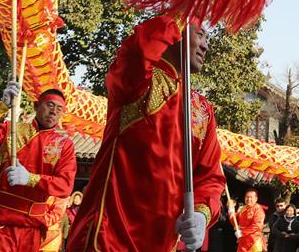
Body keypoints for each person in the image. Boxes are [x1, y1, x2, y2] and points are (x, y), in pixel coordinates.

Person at [68, 18, 225, 252]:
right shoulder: (140, 81)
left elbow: (210, 176)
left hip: (163, 242)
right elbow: (138, 51)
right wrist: (178, 12)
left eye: (207, 38)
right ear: (177, 31)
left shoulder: (202, 110)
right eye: (200, 35)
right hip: (109, 236)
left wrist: (202, 214)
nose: (205, 46)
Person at [0, 82, 76, 251]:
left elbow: (65, 186)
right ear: (36, 106)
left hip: (33, 225)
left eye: (59, 109)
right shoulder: (12, 130)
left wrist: (30, 179)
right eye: (49, 105)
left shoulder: (64, 145)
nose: (54, 111)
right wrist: (1, 107)